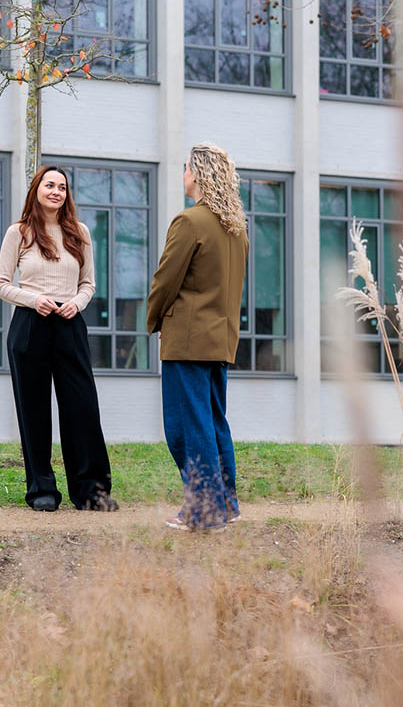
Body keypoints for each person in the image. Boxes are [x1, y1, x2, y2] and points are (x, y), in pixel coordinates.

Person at [0, 165, 119, 512]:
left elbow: (89, 284)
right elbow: (1, 284)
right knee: (33, 409)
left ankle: (91, 491)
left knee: (82, 408)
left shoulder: (79, 232)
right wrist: (34, 299)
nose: (56, 191)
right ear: (36, 190)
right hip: (30, 324)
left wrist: (76, 304)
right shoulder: (18, 233)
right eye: (49, 185)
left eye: (62, 187)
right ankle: (41, 490)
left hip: (69, 325)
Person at [147, 143, 248, 532]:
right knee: (213, 422)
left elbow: (165, 280)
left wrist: (153, 319)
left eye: (186, 166)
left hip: (187, 340)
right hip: (220, 341)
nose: (183, 172)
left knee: (185, 427)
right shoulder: (236, 230)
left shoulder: (189, 222)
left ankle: (204, 513)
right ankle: (226, 504)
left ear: (198, 174)